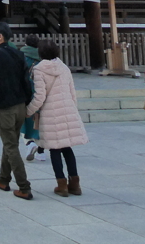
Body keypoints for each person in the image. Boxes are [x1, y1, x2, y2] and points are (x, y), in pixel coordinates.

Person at [26, 39, 88, 196]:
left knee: (54, 149)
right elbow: (72, 92)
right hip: (67, 109)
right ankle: (75, 184)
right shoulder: (64, 67)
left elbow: (40, 96)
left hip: (50, 112)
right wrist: (72, 109)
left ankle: (61, 184)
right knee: (67, 148)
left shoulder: (39, 70)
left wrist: (28, 111)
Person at [0, 21, 33, 200]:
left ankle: (24, 187)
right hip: (20, 104)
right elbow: (26, 80)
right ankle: (3, 179)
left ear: (0, 36)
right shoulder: (19, 54)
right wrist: (28, 102)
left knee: (11, 146)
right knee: (10, 141)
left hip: (5, 106)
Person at [20, 34, 44, 161]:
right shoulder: (43, 57)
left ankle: (29, 143)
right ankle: (41, 152)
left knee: (24, 120)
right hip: (41, 92)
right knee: (40, 122)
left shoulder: (21, 56)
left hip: (26, 92)